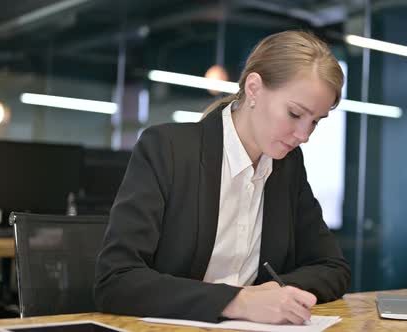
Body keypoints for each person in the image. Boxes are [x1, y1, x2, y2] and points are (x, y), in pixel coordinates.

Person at [94, 30, 350, 325]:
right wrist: (238, 301)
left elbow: (333, 267)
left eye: (315, 122)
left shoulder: (287, 166)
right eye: (294, 114)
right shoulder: (167, 150)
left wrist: (273, 295)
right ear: (254, 88)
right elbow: (115, 281)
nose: (304, 135)